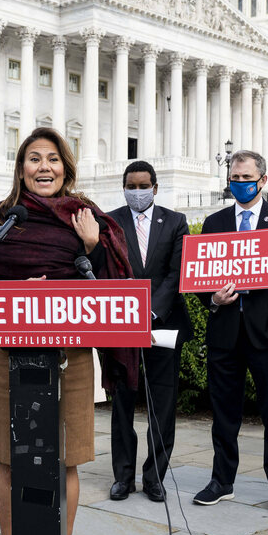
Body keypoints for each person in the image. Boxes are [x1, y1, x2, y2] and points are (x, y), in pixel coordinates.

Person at [0, 127, 133, 535]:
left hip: (69, 358)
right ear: (21, 168)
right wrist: (22, 295)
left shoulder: (86, 216)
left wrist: (96, 245)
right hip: (6, 356)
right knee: (8, 462)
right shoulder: (1, 217)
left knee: (66, 461)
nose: (44, 167)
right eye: (34, 159)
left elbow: (115, 288)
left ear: (67, 167)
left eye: (53, 159)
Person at [193, 150, 268, 513]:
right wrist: (212, 298)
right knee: (224, 412)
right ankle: (221, 480)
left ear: (263, 181)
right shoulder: (214, 222)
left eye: (246, 178)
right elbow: (198, 276)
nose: (239, 184)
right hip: (225, 332)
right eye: (234, 178)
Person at [106, 160, 192, 502]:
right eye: (131, 185)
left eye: (143, 186)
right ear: (124, 186)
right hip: (122, 326)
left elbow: (176, 273)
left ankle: (154, 477)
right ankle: (122, 477)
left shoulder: (175, 222)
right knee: (122, 404)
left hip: (164, 324)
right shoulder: (110, 221)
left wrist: (151, 310)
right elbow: (107, 268)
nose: (137, 191)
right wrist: (130, 313)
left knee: (163, 403)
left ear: (155, 188)